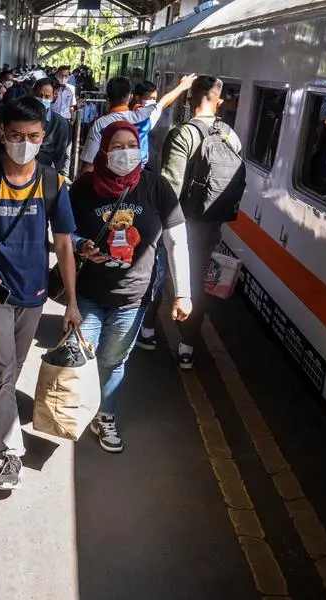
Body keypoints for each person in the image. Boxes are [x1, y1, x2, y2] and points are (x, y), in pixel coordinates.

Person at [0, 97, 81, 491]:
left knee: (11, 368)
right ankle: (12, 454)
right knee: (3, 373)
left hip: (33, 294)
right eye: (16, 135)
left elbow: (64, 245)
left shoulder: (53, 183)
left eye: (33, 136)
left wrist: (71, 302)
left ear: (43, 137)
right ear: (2, 134)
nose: (24, 143)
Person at [69, 121, 192, 453]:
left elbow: (176, 239)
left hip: (133, 298)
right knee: (80, 354)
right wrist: (81, 244)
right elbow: (62, 233)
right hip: (88, 293)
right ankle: (72, 409)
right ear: (104, 151)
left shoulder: (156, 187)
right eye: (117, 146)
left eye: (131, 144)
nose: (126, 152)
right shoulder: (83, 188)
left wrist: (183, 293)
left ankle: (104, 416)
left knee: (113, 359)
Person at [158, 75, 243, 369]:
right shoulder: (231, 136)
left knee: (159, 277)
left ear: (189, 98)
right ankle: (187, 347)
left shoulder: (182, 134)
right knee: (195, 285)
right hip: (209, 225)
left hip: (177, 223)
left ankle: (146, 332)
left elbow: (170, 188)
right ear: (218, 101)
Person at [81, 74, 196, 173]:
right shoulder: (143, 118)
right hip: (136, 175)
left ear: (108, 97)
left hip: (107, 176)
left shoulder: (100, 125)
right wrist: (182, 87)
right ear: (130, 97)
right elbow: (163, 102)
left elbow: (89, 164)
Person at [31, 78, 71, 171]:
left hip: (45, 169)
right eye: (39, 95)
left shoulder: (60, 123)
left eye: (47, 96)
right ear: (33, 94)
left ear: (54, 97)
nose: (42, 99)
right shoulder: (22, 116)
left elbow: (60, 155)